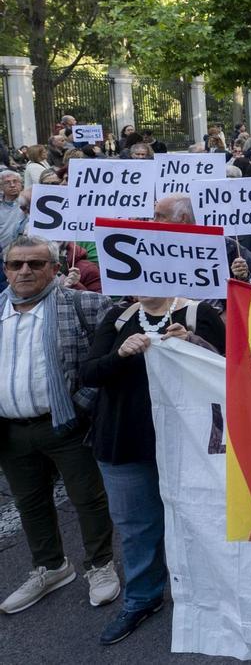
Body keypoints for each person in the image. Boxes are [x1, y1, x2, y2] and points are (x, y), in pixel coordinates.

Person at [79, 293, 223, 643]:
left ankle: (216, 598)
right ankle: (143, 598)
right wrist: (120, 354)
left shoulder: (197, 312)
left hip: (189, 441)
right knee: (136, 527)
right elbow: (90, 372)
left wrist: (193, 342)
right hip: (124, 439)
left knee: (204, 520)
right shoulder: (118, 316)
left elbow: (228, 367)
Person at [0, 235, 119, 615]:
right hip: (11, 429)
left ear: (53, 268)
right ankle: (50, 567)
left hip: (67, 424)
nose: (24, 271)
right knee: (31, 502)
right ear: (5, 269)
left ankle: (100, 565)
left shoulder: (87, 303)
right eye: (16, 264)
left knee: (87, 498)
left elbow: (112, 361)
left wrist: (81, 407)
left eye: (35, 264)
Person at [0, 170, 27, 252]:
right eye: (7, 182)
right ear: (1, 187)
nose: (12, 185)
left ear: (21, 184)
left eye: (15, 181)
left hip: (23, 250)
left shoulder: (29, 202)